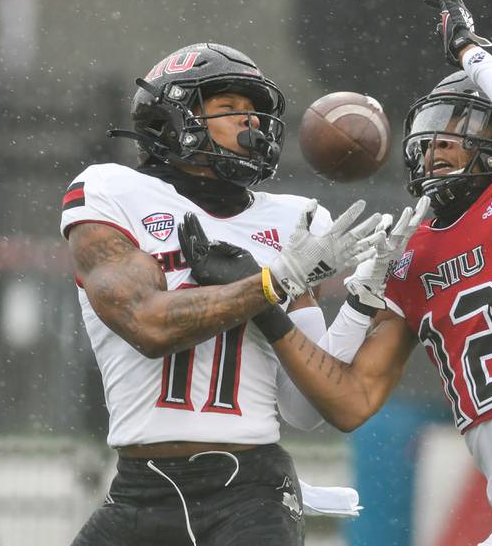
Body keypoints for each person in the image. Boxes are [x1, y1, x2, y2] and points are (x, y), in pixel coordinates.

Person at [179, 0, 492, 545]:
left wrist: (470, 53)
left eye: (462, 130)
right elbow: (340, 403)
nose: (438, 146)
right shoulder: (413, 254)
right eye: (430, 136)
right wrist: (280, 300)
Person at [60, 41, 416, 546]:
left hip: (249, 490)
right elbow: (149, 323)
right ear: (171, 118)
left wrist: (360, 302)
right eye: (229, 110)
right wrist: (273, 283)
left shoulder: (291, 220)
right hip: (140, 490)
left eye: (256, 113)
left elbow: (304, 408)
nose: (252, 126)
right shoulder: (112, 191)